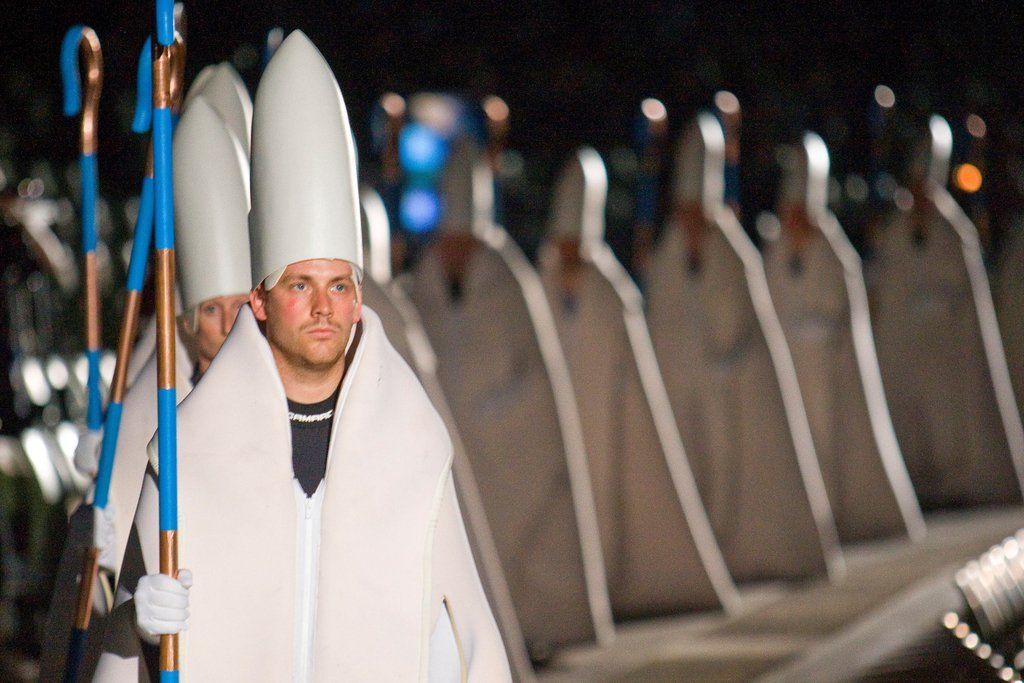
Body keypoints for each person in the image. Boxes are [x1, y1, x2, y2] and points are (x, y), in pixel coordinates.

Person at [95, 31, 510, 681]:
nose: (323, 307)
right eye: (299, 286)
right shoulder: (187, 448)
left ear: (358, 297)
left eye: (338, 285)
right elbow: (127, 623)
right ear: (260, 302)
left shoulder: (412, 441)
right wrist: (137, 622)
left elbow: (464, 632)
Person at [39, 75, 253, 682]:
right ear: (186, 322)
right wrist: (99, 506)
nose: (228, 327)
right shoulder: (157, 385)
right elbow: (112, 565)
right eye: (211, 312)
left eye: (240, 308)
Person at [646, 111, 842, 582]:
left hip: (731, 396)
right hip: (684, 391)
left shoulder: (734, 255)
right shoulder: (668, 256)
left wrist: (720, 365)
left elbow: (746, 329)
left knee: (730, 476)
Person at [764, 131, 925, 544]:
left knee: (826, 443)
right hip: (790, 369)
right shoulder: (776, 251)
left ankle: (829, 516)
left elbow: (840, 313)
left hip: (825, 373)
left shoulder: (833, 253)